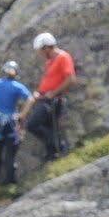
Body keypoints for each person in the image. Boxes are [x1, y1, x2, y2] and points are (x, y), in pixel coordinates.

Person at [0, 60, 34, 192]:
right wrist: (22, 115)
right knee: (10, 154)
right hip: (10, 124)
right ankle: (9, 183)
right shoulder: (16, 86)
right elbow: (31, 99)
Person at [24, 31, 75, 161]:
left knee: (32, 124)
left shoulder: (63, 57)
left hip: (52, 100)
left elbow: (70, 79)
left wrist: (53, 92)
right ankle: (52, 154)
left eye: (41, 51)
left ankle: (58, 146)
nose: (40, 54)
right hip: (45, 98)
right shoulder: (50, 62)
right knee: (48, 127)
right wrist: (39, 93)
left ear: (46, 47)